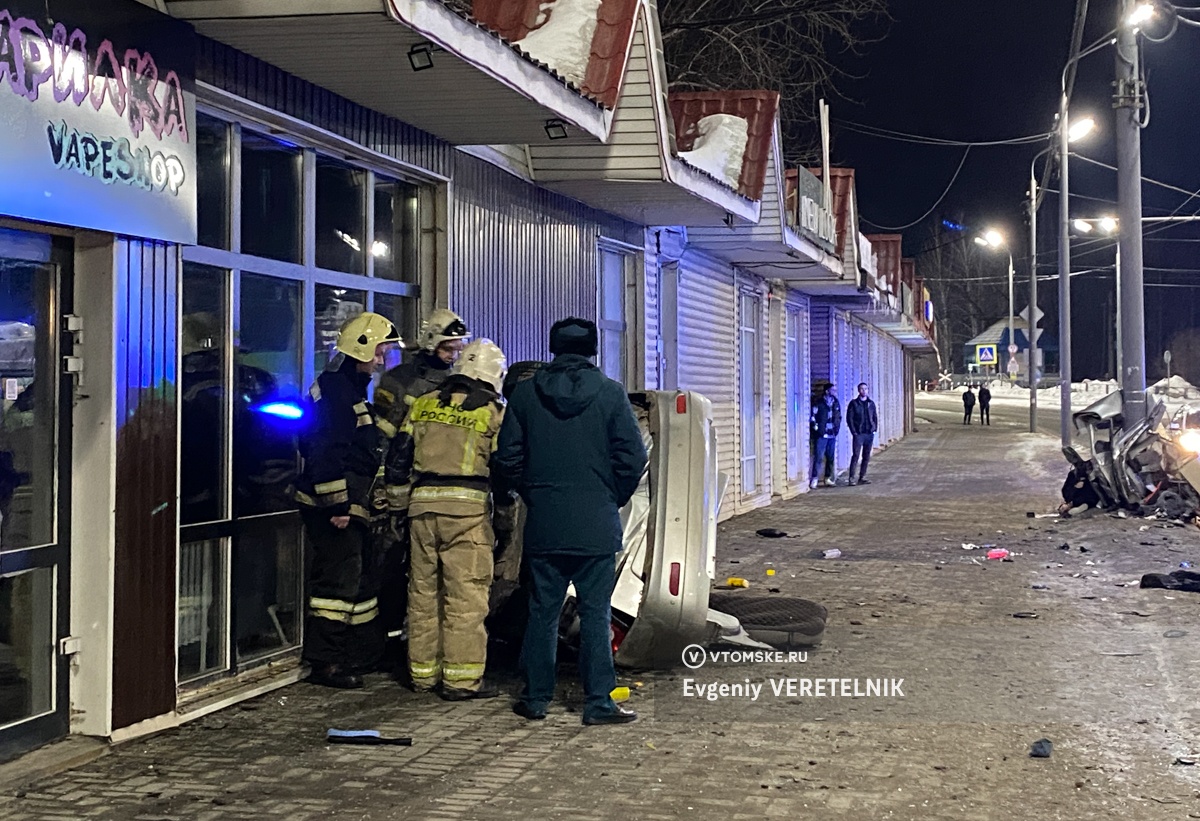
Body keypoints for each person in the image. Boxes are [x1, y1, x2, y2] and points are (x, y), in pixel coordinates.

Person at [493, 318, 647, 726]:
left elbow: (506, 458)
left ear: (553, 347)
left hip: (545, 522)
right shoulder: (612, 395)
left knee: (542, 612)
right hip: (596, 524)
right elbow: (633, 458)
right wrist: (610, 497)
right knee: (596, 613)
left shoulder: (525, 396)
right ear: (593, 349)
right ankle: (598, 703)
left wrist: (533, 494)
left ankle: (536, 699)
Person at [392, 339, 508, 700]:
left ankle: (422, 676)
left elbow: (398, 460)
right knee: (465, 599)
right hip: (468, 514)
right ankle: (460, 681)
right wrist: (503, 516)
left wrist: (397, 510)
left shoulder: (424, 405)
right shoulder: (492, 412)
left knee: (423, 594)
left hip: (421, 510)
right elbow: (503, 470)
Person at [295, 312, 401, 689]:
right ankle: (326, 663)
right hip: (335, 507)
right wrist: (337, 506)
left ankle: (357, 653)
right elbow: (325, 450)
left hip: (354, 503)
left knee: (358, 581)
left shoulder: (347, 389)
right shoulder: (338, 393)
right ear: (362, 349)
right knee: (337, 586)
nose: (382, 360)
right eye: (380, 352)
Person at [373, 309, 471, 667]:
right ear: (431, 342)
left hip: (430, 490)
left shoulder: (461, 381)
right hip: (400, 489)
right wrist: (385, 492)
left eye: (458, 348)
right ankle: (388, 647)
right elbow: (385, 441)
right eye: (448, 348)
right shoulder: (399, 382)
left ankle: (423, 648)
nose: (454, 355)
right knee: (397, 574)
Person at [845, 383, 878, 486]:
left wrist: (874, 428)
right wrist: (854, 432)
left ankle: (862, 476)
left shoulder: (870, 403)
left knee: (866, 456)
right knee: (855, 455)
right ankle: (851, 478)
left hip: (869, 433)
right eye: (862, 389)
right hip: (859, 434)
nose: (864, 391)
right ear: (858, 391)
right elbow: (849, 418)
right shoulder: (854, 404)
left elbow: (874, 416)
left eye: (865, 389)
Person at [809, 382, 841, 488]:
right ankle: (815, 478)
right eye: (833, 390)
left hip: (832, 434)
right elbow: (813, 417)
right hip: (822, 435)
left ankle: (828, 478)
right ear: (827, 391)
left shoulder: (836, 403)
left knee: (830, 457)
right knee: (818, 457)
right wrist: (817, 429)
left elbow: (838, 416)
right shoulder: (819, 403)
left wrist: (837, 428)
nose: (835, 392)